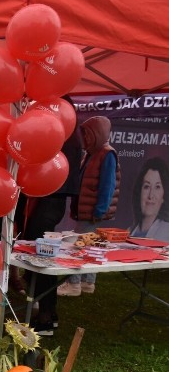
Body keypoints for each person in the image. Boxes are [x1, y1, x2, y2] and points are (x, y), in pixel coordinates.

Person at [22, 96, 84, 335]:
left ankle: (46, 316)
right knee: (38, 255)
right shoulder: (68, 135)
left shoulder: (62, 136)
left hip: (48, 199)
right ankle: (47, 311)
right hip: (49, 199)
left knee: (40, 259)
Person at [58, 116, 120, 297]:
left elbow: (107, 186)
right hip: (87, 211)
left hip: (93, 212)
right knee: (92, 247)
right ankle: (87, 282)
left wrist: (99, 211)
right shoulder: (92, 154)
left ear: (96, 134)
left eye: (87, 134)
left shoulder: (107, 154)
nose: (84, 138)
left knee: (78, 246)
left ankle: (74, 284)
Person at [128, 157, 169, 241]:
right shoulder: (129, 230)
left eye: (157, 187)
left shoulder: (166, 232)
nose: (150, 195)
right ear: (140, 192)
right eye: (147, 186)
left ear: (163, 196)